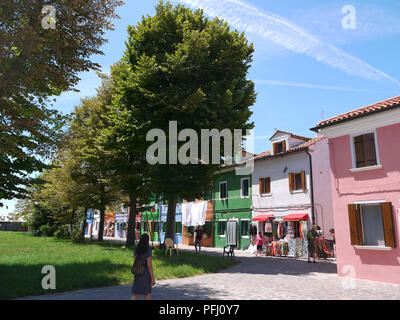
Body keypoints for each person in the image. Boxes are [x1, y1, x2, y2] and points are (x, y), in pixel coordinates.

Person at [131, 234, 155, 300]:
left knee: (136, 294)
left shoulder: (136, 250)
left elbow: (135, 262)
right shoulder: (148, 252)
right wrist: (152, 277)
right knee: (147, 293)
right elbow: (149, 266)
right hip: (146, 275)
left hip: (138, 273)